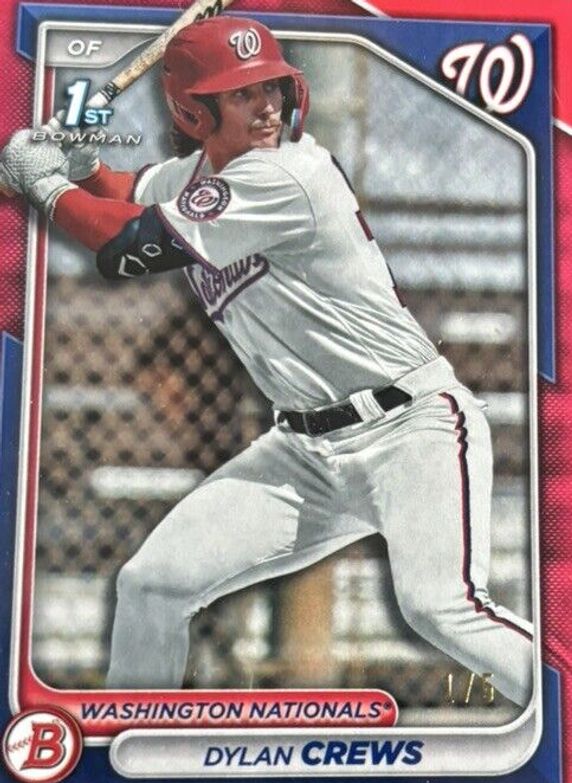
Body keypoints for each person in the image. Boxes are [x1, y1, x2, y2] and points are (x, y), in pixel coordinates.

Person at [0, 16, 534, 705]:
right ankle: (129, 735)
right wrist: (83, 168)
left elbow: (130, 244)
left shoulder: (288, 173)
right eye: (241, 93)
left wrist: (45, 187)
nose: (266, 106)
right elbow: (132, 194)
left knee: (441, 607)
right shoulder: (194, 177)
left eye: (271, 87)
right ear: (194, 112)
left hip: (411, 430)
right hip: (306, 453)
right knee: (152, 585)